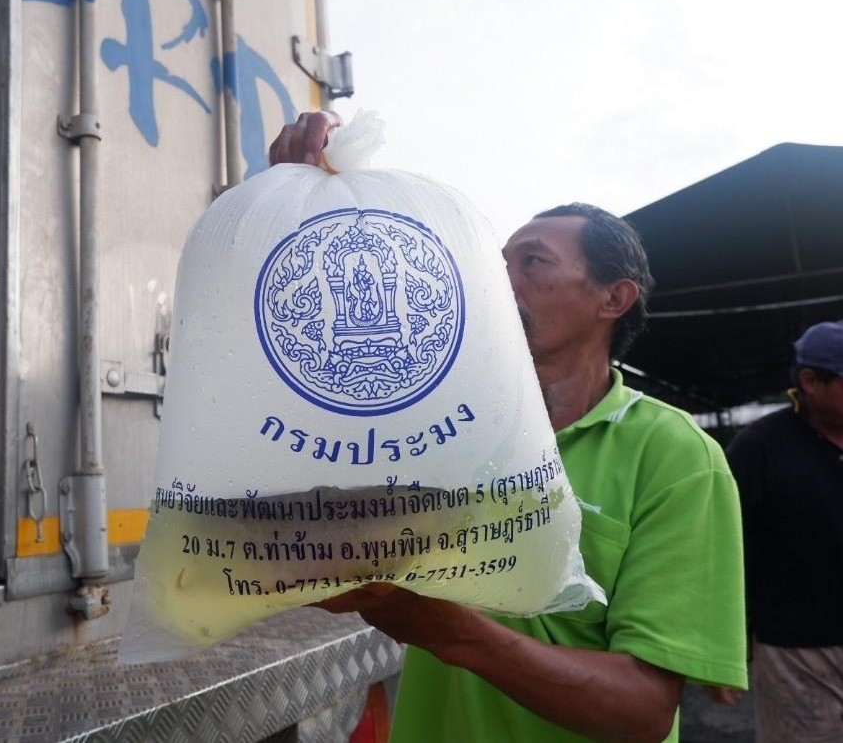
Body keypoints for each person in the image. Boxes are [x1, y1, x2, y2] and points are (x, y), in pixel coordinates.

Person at [270, 113, 748, 743]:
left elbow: (641, 711)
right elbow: (321, 364)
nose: (499, 279)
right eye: (497, 263)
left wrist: (446, 629)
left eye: (532, 263)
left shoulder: (674, 455)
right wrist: (301, 201)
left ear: (613, 299)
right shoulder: (438, 434)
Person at [724, 320, 843, 741]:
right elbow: (726, 548)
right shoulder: (761, 446)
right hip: (797, 649)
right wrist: (726, 644)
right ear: (810, 381)